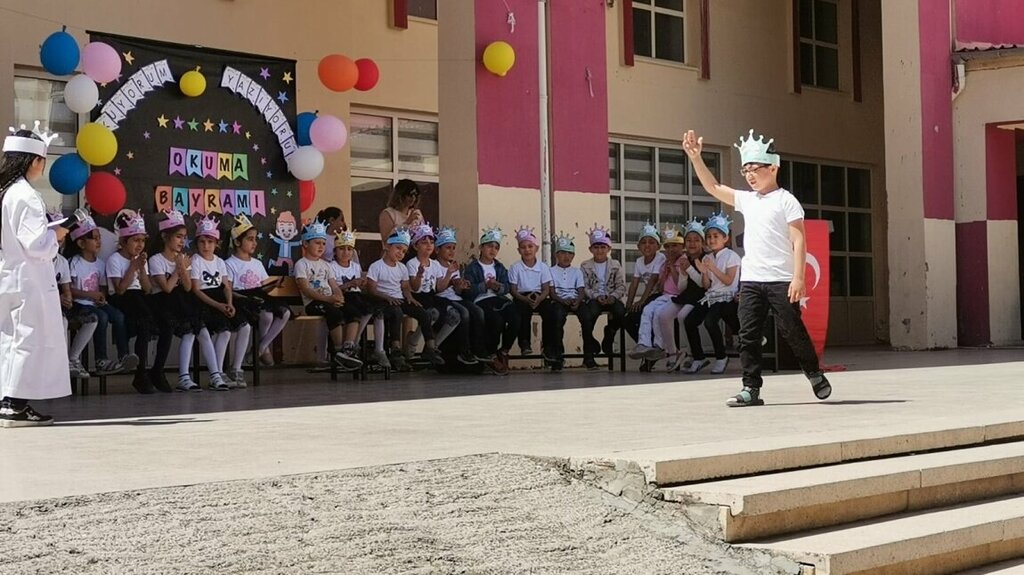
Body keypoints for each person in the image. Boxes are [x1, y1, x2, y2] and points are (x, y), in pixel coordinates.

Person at [682, 128, 832, 407]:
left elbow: (799, 240)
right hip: (751, 280)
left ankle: (813, 373)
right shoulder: (747, 200)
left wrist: (798, 278)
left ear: (773, 168)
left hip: (781, 279)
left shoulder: (786, 200)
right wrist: (695, 158)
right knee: (748, 335)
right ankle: (750, 388)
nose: (749, 175)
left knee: (792, 331)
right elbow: (713, 187)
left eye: (754, 169)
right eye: (745, 170)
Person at [0, 127, 69, 426]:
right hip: (28, 280)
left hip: (10, 275)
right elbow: (35, 244)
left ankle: (8, 399)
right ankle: (15, 404)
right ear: (33, 161)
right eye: (42, 160)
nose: (43, 165)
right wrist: (57, 235)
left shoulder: (6, 192)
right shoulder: (27, 196)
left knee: (11, 339)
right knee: (29, 339)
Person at [149, 209, 218, 393]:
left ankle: (215, 375)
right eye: (178, 237)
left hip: (181, 301)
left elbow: (187, 287)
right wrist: (178, 269)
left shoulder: (183, 259)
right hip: (163, 303)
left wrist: (182, 267)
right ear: (165, 237)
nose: (182, 241)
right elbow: (167, 288)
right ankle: (181, 376)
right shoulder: (156, 260)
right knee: (185, 329)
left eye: (184, 237)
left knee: (199, 329)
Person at [67, 213, 137, 376]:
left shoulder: (100, 264)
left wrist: (101, 297)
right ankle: (101, 360)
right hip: (80, 304)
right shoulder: (74, 262)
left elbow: (103, 287)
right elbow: (69, 290)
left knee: (118, 316)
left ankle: (123, 355)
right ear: (81, 243)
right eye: (94, 238)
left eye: (99, 238)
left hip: (95, 303)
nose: (99, 242)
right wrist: (90, 295)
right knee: (102, 317)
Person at [366, 226, 444, 370]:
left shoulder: (402, 268)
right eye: (398, 248)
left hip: (399, 299)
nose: (400, 253)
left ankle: (430, 347)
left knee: (423, 312)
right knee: (397, 312)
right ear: (387, 246)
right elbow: (371, 289)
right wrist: (387, 297)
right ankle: (396, 349)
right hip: (382, 301)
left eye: (403, 251)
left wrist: (410, 298)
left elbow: (405, 287)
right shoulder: (376, 266)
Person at [294, 221, 364, 371]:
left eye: (324, 243)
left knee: (353, 311)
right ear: (305, 244)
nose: (321, 246)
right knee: (335, 313)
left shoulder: (325, 265)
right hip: (314, 303)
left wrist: (339, 297)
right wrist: (329, 299)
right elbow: (306, 289)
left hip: (329, 301)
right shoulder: (301, 264)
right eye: (317, 243)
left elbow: (334, 286)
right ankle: (338, 351)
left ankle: (348, 349)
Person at [107, 210, 165, 393]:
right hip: (123, 297)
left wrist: (141, 269)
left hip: (139, 295)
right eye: (135, 240)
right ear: (124, 241)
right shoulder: (115, 260)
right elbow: (120, 289)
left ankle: (156, 370)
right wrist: (132, 268)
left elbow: (147, 289)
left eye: (142, 241)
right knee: (143, 321)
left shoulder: (141, 260)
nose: (140, 245)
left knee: (162, 319)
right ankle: (140, 373)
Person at [225, 214, 290, 368]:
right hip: (243, 298)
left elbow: (263, 288)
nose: (254, 243)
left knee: (285, 312)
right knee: (267, 315)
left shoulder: (257, 263)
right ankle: (263, 350)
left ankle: (260, 347)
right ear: (237, 242)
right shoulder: (229, 264)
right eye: (250, 239)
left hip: (259, 296)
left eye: (255, 239)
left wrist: (275, 284)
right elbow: (229, 289)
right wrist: (243, 298)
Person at [190, 216, 247, 389]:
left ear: (217, 244)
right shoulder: (195, 261)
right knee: (225, 331)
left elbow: (226, 286)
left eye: (210, 242)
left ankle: (236, 368)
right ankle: (218, 372)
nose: (206, 246)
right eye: (202, 242)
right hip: (205, 301)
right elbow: (196, 289)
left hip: (221, 298)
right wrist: (218, 306)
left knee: (245, 326)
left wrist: (229, 303)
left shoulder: (220, 262)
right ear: (197, 243)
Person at [683, 212, 741, 375]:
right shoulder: (708, 257)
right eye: (709, 236)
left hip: (727, 297)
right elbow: (707, 285)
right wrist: (703, 272)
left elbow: (728, 281)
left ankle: (721, 357)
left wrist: (712, 268)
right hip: (711, 296)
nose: (711, 240)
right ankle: (698, 357)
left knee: (710, 322)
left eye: (716, 236)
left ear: (725, 238)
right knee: (689, 321)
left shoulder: (732, 256)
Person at [405, 223, 469, 364]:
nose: (429, 245)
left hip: (431, 296)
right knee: (431, 313)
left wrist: (449, 274)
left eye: (431, 242)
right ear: (415, 246)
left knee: (455, 315)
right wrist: (419, 275)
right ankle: (414, 341)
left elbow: (439, 288)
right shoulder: (412, 263)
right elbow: (415, 288)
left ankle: (433, 348)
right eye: (424, 242)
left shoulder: (434, 264)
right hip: (418, 297)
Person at [464, 226, 520, 375]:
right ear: (481, 247)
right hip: (481, 300)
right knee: (496, 321)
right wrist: (485, 286)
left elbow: (507, 287)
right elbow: (467, 290)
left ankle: (504, 350)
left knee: (516, 317)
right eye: (489, 246)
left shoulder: (499, 267)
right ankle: (491, 353)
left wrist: (498, 287)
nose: (493, 250)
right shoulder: (472, 268)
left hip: (498, 298)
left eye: (496, 247)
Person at [629, 226, 686, 368]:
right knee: (647, 310)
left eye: (675, 246)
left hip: (677, 297)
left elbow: (681, 286)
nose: (671, 250)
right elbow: (661, 286)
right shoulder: (664, 262)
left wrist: (672, 269)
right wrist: (665, 273)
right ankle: (644, 343)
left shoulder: (682, 261)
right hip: (664, 295)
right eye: (668, 247)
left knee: (658, 314)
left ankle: (659, 346)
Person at [433, 226, 487, 364]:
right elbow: (439, 288)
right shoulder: (434, 265)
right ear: (437, 249)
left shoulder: (453, 265)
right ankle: (464, 351)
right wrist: (450, 275)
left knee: (478, 311)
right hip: (443, 299)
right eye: (448, 248)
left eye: (453, 248)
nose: (451, 251)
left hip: (455, 297)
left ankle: (479, 349)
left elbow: (457, 291)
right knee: (464, 313)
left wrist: (461, 285)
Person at [659, 219, 708, 372]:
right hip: (687, 295)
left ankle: (694, 353)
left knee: (683, 316)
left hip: (703, 295)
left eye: (696, 240)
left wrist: (690, 270)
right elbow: (681, 287)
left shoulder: (707, 258)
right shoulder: (685, 259)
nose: (692, 243)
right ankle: (673, 352)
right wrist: (683, 273)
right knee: (664, 315)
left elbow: (703, 284)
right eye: (689, 240)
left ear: (702, 242)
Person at [577, 225, 626, 370]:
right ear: (591, 249)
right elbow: (584, 287)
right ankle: (589, 352)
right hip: (594, 299)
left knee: (620, 312)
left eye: (603, 247)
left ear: (609, 249)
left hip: (611, 297)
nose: (599, 250)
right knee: (588, 317)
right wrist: (596, 296)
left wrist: (613, 297)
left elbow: (621, 286)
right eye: (596, 247)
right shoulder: (585, 265)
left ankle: (609, 333)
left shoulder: (615, 265)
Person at [54, 223, 97, 380]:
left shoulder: (62, 262)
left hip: (60, 305)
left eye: (62, 237)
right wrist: (57, 298)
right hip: (42, 305)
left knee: (92, 319)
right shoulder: (37, 261)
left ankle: (73, 358)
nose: (59, 239)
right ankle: (61, 362)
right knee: (63, 321)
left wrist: (68, 298)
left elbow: (66, 288)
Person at [541, 232, 585, 371]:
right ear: (556, 255)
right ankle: (558, 355)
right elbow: (552, 292)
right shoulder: (550, 270)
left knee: (587, 317)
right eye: (563, 253)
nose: (566, 256)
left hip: (575, 300)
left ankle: (589, 354)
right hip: (559, 301)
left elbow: (581, 290)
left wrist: (578, 301)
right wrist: (562, 300)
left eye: (570, 253)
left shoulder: (577, 271)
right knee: (557, 319)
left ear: (573, 256)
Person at [508, 226, 552, 357]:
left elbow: (546, 288)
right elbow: (513, 290)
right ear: (518, 250)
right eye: (523, 247)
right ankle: (524, 343)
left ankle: (548, 346)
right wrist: (525, 299)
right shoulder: (515, 267)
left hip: (539, 296)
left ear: (536, 248)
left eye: (530, 246)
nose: (527, 250)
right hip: (522, 296)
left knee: (550, 312)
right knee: (522, 312)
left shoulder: (543, 267)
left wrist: (540, 298)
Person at [623, 222, 666, 353]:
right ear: (638, 246)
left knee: (642, 313)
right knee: (627, 319)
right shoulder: (639, 261)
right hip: (650, 296)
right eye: (643, 242)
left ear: (658, 246)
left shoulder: (660, 257)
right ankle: (646, 347)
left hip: (661, 294)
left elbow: (653, 280)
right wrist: (628, 304)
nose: (647, 245)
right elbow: (634, 283)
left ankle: (653, 346)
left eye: (651, 242)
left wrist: (642, 301)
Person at [377, 179, 424, 247]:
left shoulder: (416, 213)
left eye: (416, 195)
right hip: (396, 252)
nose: (413, 198)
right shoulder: (388, 214)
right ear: (400, 195)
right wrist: (407, 223)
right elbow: (387, 241)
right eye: (410, 195)